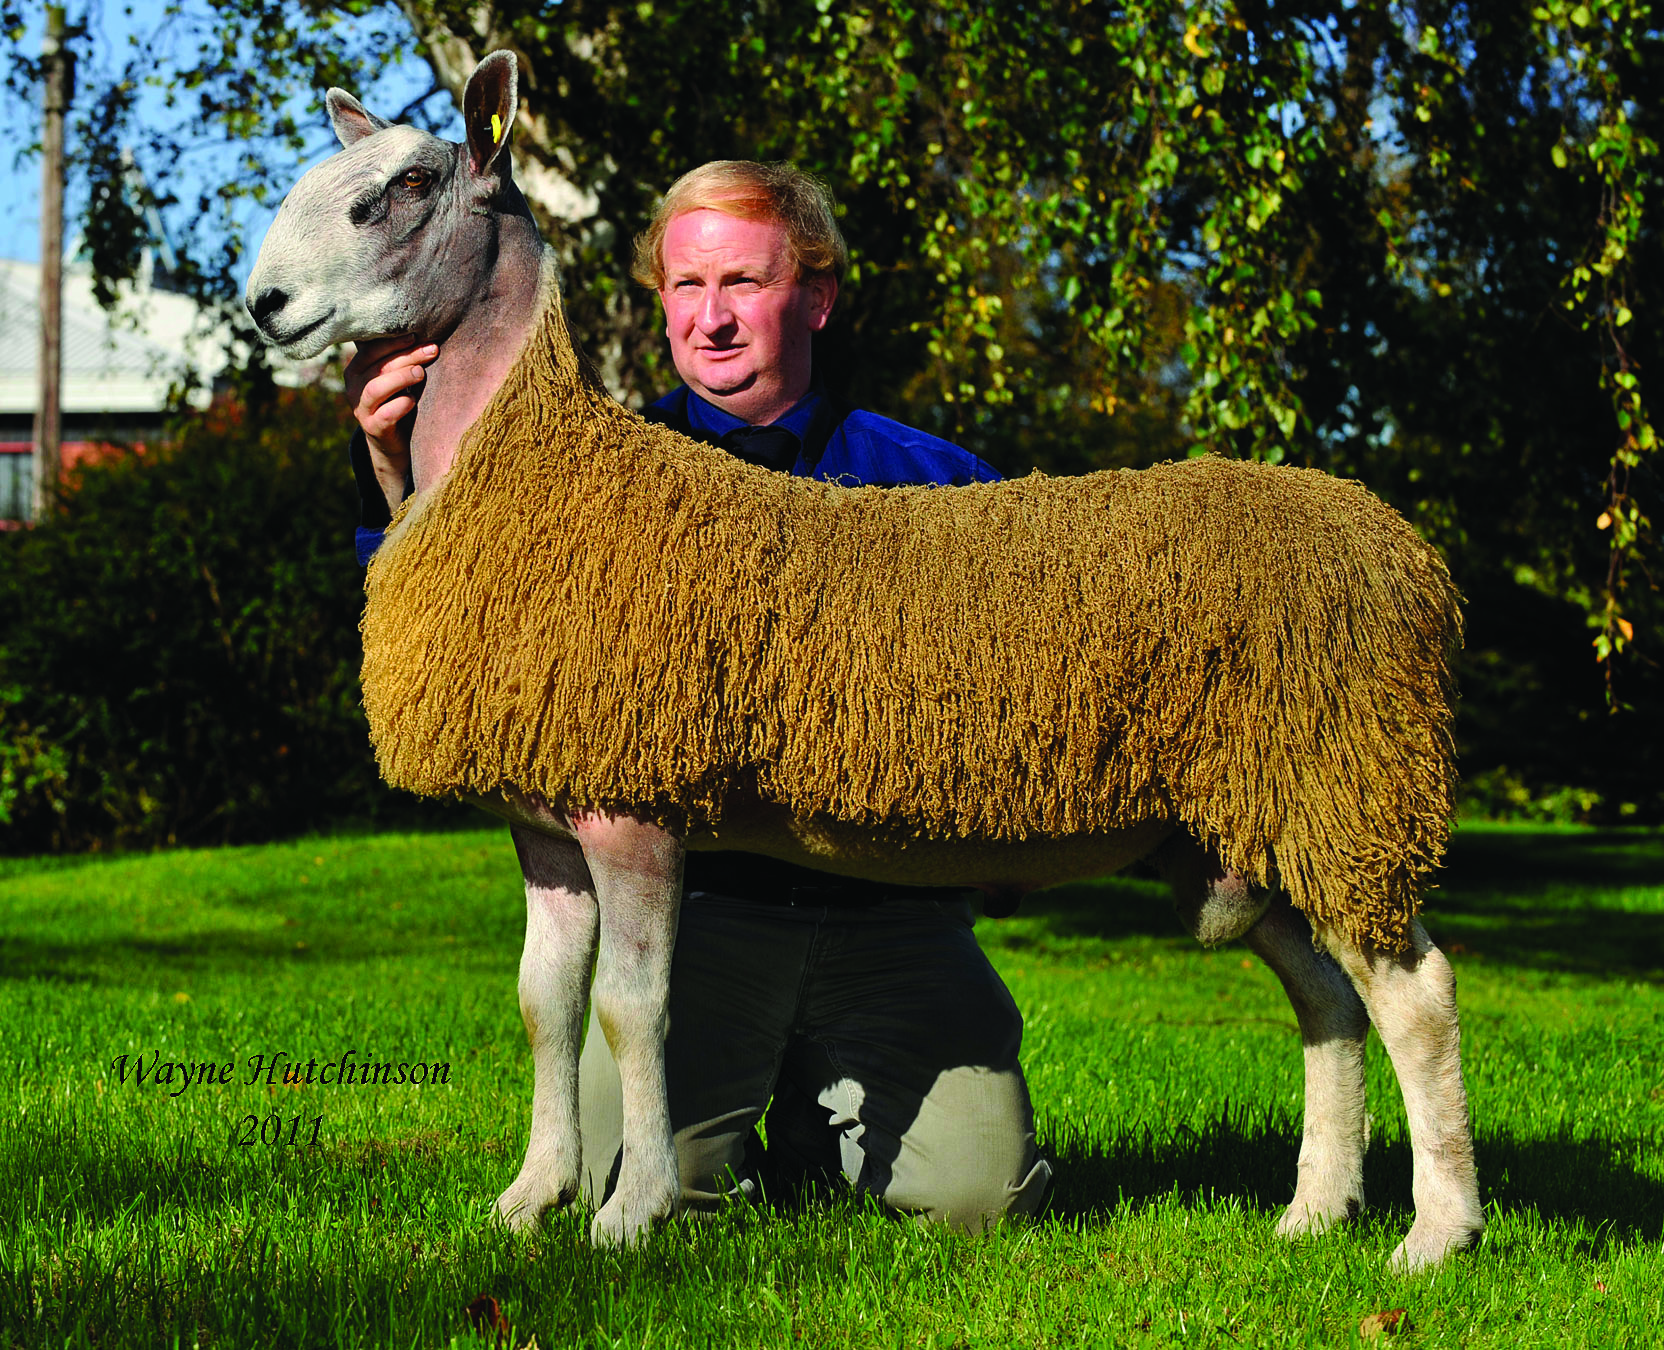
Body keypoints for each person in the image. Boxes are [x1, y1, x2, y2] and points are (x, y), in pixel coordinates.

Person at [344, 160, 1052, 1230]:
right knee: (632, 1188)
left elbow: (1023, 690)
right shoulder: (594, 479)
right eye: (685, 287)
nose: (710, 320)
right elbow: (482, 658)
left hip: (888, 914)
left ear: (813, 293)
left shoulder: (935, 486)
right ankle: (721, 1118)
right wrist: (396, 482)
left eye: (744, 284)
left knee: (975, 1202)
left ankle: (827, 1120)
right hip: (698, 912)